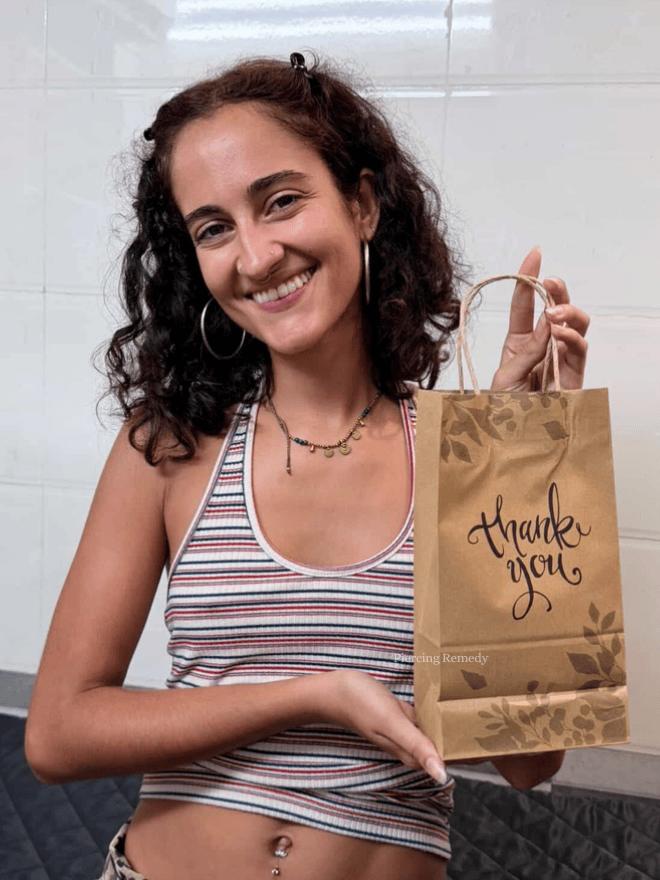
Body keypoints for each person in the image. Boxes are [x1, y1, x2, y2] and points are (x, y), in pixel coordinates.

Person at [25, 54, 589, 880]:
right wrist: (315, 693)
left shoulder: (463, 454)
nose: (255, 256)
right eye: (214, 227)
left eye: (281, 200)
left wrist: (506, 466)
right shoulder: (170, 445)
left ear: (362, 204)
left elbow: (532, 763)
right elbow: (56, 735)